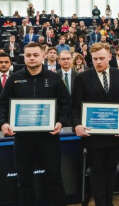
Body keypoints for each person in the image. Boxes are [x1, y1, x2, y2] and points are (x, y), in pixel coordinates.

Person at [0, 42, 70, 206]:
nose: (31, 58)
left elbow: (66, 103)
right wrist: (3, 123)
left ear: (43, 56)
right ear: (24, 56)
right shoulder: (15, 78)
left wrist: (60, 122)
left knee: (54, 178)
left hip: (49, 138)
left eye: (35, 55)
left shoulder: (54, 78)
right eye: (28, 55)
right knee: (24, 180)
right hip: (23, 139)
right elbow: (2, 104)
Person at [72, 42, 119, 206]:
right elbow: (75, 107)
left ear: (110, 57)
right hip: (93, 136)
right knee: (97, 172)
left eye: (102, 58)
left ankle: (109, 202)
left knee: (111, 171)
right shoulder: (82, 78)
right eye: (95, 58)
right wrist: (77, 125)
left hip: (115, 136)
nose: (98, 62)